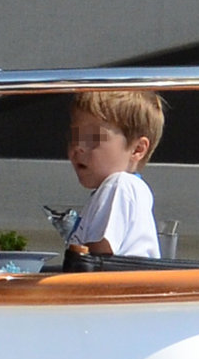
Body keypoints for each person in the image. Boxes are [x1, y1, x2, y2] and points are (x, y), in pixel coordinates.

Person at [66, 91, 165, 258]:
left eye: (93, 138)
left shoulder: (118, 185)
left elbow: (99, 252)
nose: (78, 147)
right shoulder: (126, 188)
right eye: (75, 137)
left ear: (137, 149)